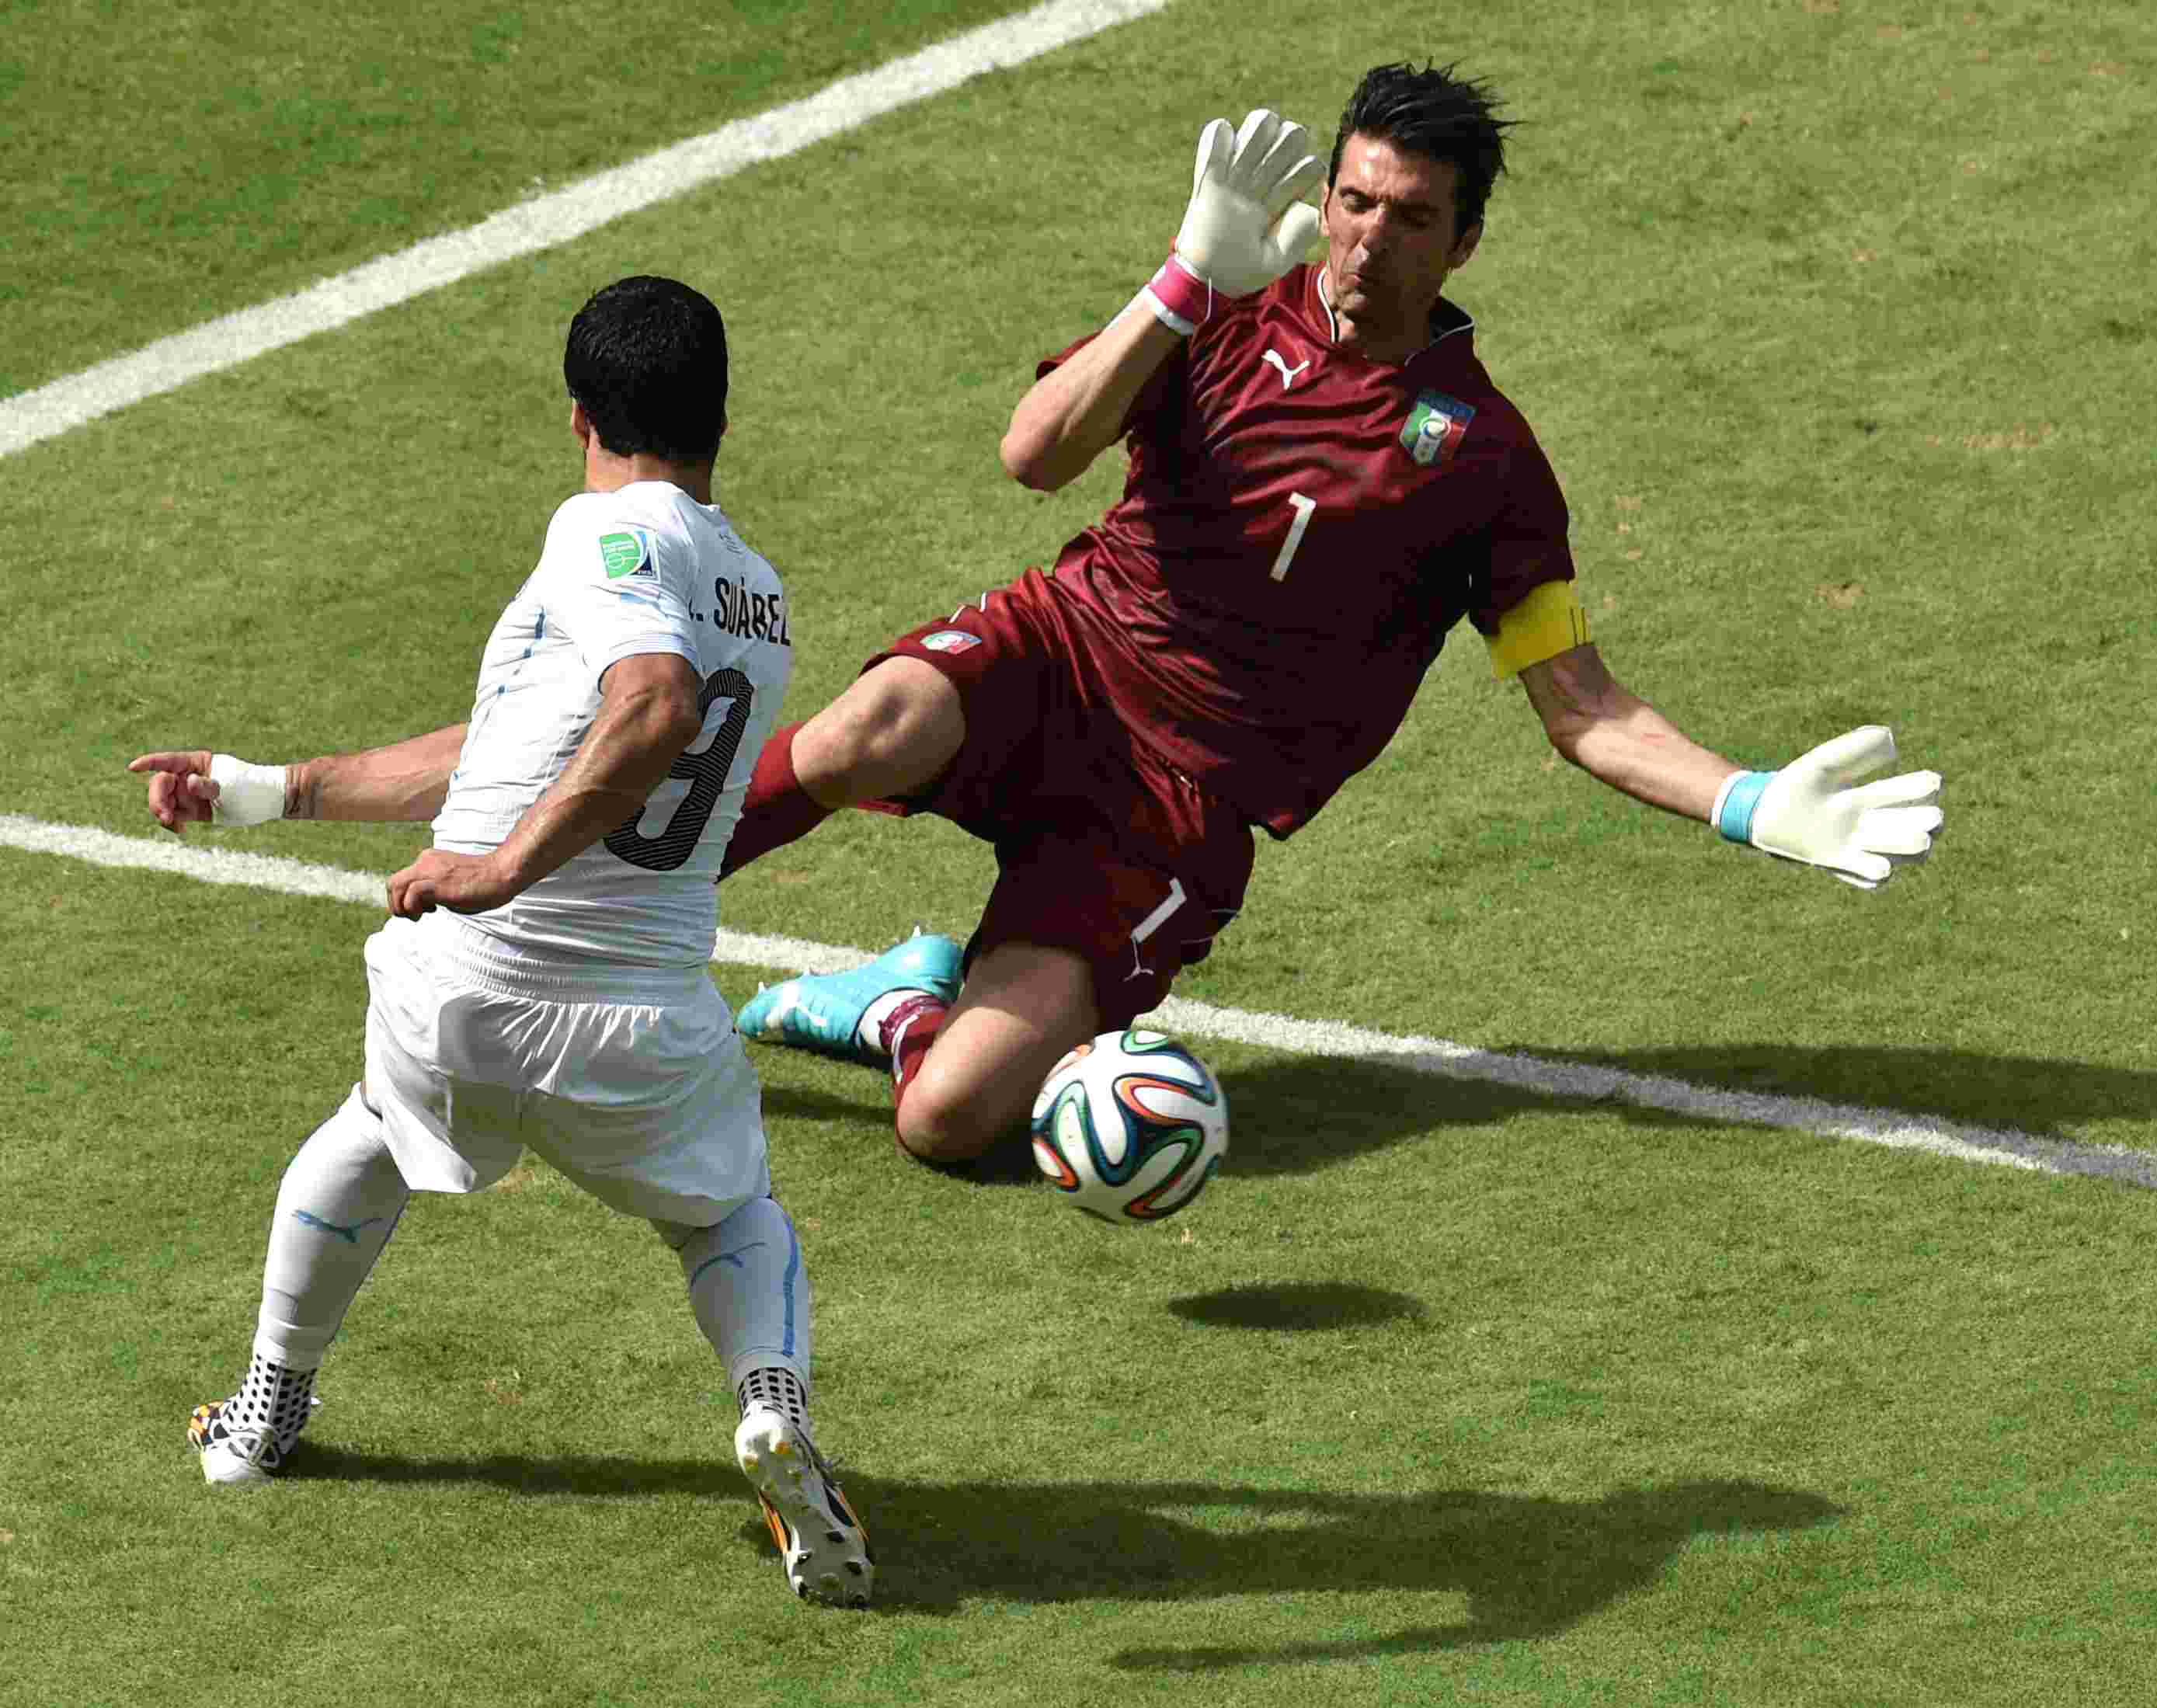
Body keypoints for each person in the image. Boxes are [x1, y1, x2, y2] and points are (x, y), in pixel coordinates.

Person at [721, 65, 1943, 1175]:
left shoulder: (1486, 461)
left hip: (1177, 807)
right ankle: (631, 894)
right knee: (864, 731)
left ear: (1463, 243)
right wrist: (1182, 283)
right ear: (1324, 198)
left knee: (946, 1121)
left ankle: (904, 1007)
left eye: (1410, 218)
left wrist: (1750, 801)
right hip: (1065, 651)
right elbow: (1033, 455)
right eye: (1355, 201)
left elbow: (1584, 710)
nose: (1369, 239)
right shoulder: (1222, 312)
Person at [128, 277, 871, 1608]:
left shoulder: (601, 531)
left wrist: (500, 869)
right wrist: (268, 789)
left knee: (370, 1136)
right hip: (644, 1028)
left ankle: (264, 1412)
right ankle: (770, 1402)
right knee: (729, 1218)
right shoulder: (760, 597)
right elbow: (518, 742)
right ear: (721, 420)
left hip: (464, 998)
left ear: (579, 418)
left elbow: (650, 705)